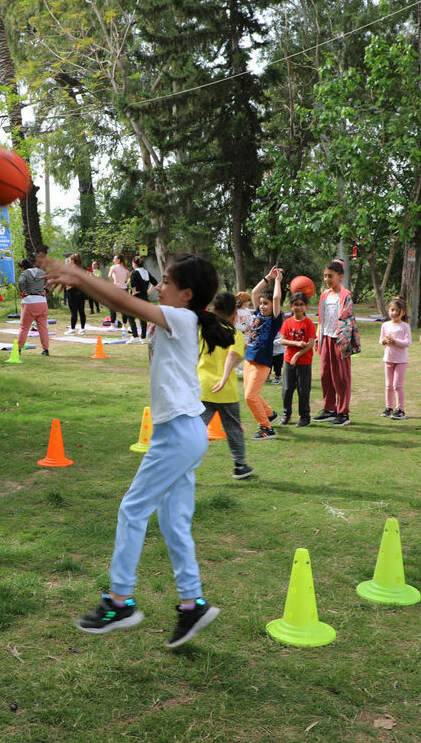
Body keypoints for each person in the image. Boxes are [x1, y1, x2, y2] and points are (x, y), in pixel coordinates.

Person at [43, 252, 230, 648]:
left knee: (133, 509)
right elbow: (119, 301)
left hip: (179, 432)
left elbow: (124, 302)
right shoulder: (180, 316)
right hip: (181, 431)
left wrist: (76, 273)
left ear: (186, 295)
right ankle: (192, 603)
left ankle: (119, 600)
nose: (159, 286)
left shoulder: (181, 317)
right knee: (173, 521)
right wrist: (79, 279)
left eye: (166, 282)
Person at [199, 291, 252, 479]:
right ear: (234, 314)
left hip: (203, 388)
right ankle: (240, 466)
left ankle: (182, 462)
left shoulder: (202, 331)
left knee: (196, 429)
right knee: (233, 429)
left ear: (214, 310)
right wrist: (223, 378)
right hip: (226, 392)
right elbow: (232, 355)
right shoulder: (236, 335)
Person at [316, 260, 359, 427]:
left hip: (339, 339)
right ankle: (329, 409)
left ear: (340, 277)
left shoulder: (345, 295)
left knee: (341, 377)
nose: (327, 279)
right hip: (326, 337)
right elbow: (322, 318)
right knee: (325, 374)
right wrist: (318, 336)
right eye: (325, 276)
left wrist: (344, 341)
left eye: (330, 276)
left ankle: (343, 412)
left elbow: (348, 318)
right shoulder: (324, 295)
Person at [244, 268, 285, 439]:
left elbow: (276, 298)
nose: (262, 306)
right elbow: (254, 291)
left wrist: (277, 281)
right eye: (261, 303)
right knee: (251, 394)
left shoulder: (275, 319)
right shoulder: (258, 314)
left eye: (265, 303)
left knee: (250, 397)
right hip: (248, 360)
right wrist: (268, 277)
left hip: (262, 362)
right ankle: (270, 414)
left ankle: (266, 428)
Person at [279, 292, 318, 427]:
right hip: (289, 361)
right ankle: (286, 414)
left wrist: (297, 355)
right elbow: (282, 340)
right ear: (291, 306)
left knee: (303, 390)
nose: (298, 307)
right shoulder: (287, 322)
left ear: (306, 306)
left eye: (301, 305)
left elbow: (311, 344)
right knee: (287, 389)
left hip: (304, 362)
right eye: (296, 304)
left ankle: (305, 417)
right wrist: (296, 344)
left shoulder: (309, 324)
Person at [379, 298, 411, 420]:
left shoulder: (405, 326)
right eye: (392, 310)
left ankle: (400, 409)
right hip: (388, 359)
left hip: (401, 360)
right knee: (388, 386)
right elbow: (381, 340)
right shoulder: (385, 325)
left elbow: (407, 343)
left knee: (397, 385)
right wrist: (385, 341)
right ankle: (389, 408)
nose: (394, 313)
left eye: (397, 310)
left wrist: (395, 341)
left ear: (403, 312)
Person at [15, 257, 51, 356]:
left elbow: (21, 282)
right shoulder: (42, 272)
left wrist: (22, 292)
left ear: (22, 267)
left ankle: (18, 349)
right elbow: (49, 282)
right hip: (42, 302)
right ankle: (45, 349)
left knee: (24, 327)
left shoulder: (25, 273)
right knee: (43, 328)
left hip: (29, 302)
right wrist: (46, 290)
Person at [127, 256, 158, 342]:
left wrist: (133, 292)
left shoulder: (134, 273)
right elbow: (155, 282)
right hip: (144, 297)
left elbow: (133, 288)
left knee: (130, 317)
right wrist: (148, 291)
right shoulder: (146, 272)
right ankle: (143, 338)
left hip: (136, 298)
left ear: (134, 264)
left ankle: (135, 336)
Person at [62, 253, 91, 335]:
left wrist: (68, 285)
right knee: (81, 311)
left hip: (72, 292)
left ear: (73, 261)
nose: (69, 261)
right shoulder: (82, 269)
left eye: (70, 260)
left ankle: (72, 329)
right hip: (81, 292)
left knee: (74, 311)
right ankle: (82, 329)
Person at [107, 254, 130, 328]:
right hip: (124, 289)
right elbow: (131, 277)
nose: (113, 260)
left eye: (114, 259)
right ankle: (124, 325)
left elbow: (109, 276)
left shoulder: (113, 267)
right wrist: (126, 283)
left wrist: (113, 283)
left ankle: (112, 324)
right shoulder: (125, 268)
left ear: (119, 260)